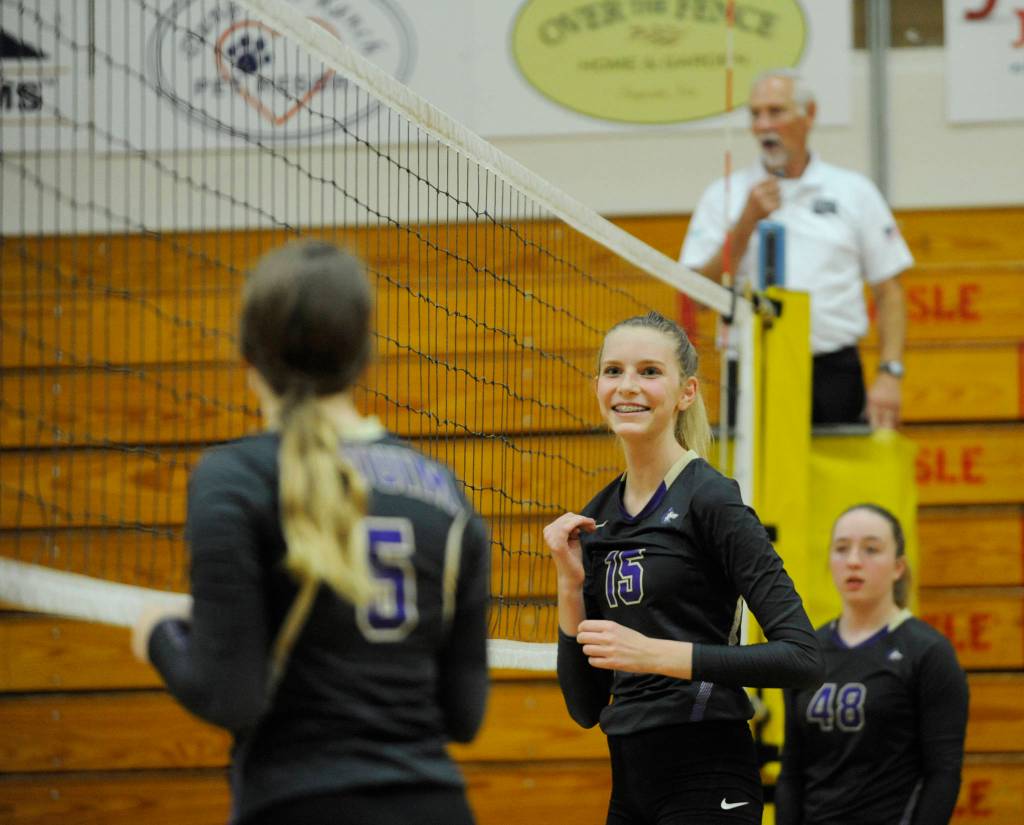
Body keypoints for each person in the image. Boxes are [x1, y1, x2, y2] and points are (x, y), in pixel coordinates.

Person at [130, 240, 490, 825]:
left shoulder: (236, 478)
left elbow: (230, 695)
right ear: (363, 354)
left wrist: (157, 635)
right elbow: (464, 716)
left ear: (248, 353)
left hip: (298, 802)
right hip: (435, 805)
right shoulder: (446, 494)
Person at [544, 310, 825, 825]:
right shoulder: (599, 514)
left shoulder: (711, 499)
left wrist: (657, 654)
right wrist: (570, 583)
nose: (627, 386)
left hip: (708, 778)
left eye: (649, 372)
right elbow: (585, 708)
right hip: (629, 788)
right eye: (613, 371)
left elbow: (803, 657)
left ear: (686, 392)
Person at [680, 68, 913, 428]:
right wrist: (745, 223)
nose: (763, 125)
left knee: (840, 484)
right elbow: (697, 296)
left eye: (776, 111)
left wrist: (890, 372)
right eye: (755, 114)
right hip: (752, 372)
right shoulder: (723, 195)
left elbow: (889, 292)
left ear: (810, 115)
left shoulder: (854, 192)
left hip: (834, 370)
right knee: (751, 485)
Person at [775, 503, 968, 825]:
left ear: (898, 567)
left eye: (871, 549)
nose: (853, 561)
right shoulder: (808, 651)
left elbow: (943, 773)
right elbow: (792, 772)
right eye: (841, 549)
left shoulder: (929, 652)